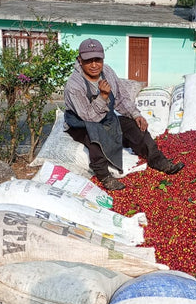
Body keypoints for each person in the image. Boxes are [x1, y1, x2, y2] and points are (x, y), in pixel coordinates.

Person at [64, 38, 184, 191]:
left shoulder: (107, 72)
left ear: (102, 59)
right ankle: (104, 175)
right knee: (95, 135)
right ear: (80, 60)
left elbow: (121, 98)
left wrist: (135, 115)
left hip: (103, 117)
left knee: (133, 126)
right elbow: (89, 117)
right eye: (88, 61)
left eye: (98, 60)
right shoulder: (74, 85)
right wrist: (103, 97)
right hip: (80, 122)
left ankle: (158, 160)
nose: (94, 65)